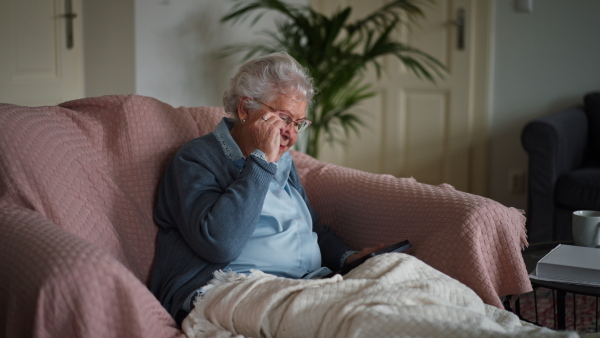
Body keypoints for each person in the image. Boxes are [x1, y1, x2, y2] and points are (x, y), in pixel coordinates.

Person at [150, 52, 381, 325]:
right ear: (245, 109)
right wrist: (261, 162)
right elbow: (220, 244)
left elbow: (313, 229)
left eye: (298, 123)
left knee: (401, 274)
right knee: (361, 319)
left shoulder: (284, 162)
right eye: (283, 118)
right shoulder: (196, 159)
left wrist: (350, 257)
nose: (291, 134)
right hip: (231, 289)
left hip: (307, 284)